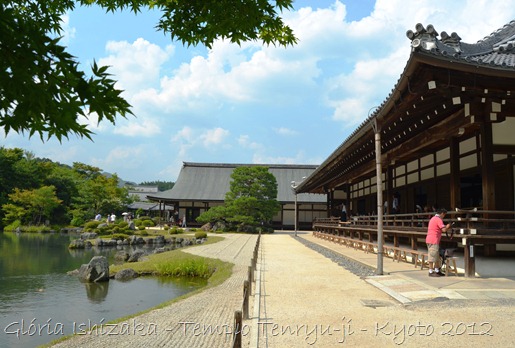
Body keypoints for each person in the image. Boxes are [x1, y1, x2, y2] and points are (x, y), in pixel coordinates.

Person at [426, 208, 452, 277]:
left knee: (436, 256)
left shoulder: (433, 218)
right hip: (433, 240)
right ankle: (431, 271)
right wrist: (448, 226)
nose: (444, 216)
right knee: (432, 256)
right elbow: (443, 230)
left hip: (431, 239)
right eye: (444, 215)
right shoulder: (438, 219)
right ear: (442, 214)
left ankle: (437, 270)